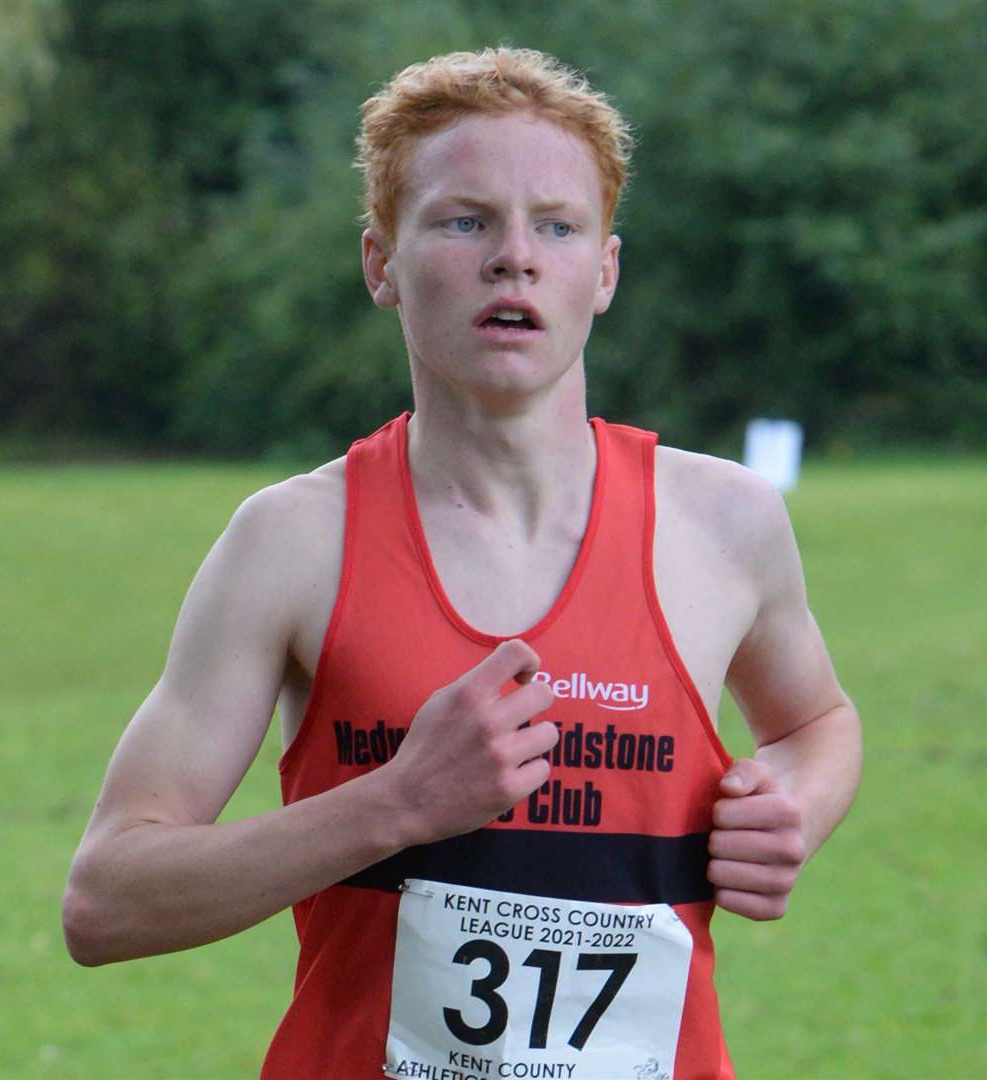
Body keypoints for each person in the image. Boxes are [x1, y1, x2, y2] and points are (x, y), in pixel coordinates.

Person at [63, 48, 862, 1079]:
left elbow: (815, 724)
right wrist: (396, 803)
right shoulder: (290, 543)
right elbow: (106, 901)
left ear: (604, 271)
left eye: (556, 226)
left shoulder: (724, 524)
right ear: (379, 264)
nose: (513, 258)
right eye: (463, 220)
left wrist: (790, 801)